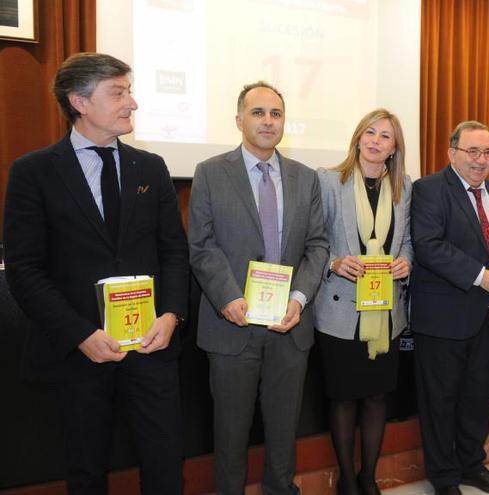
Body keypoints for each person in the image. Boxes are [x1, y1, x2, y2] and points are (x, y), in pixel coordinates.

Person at [3, 52, 189, 494]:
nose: (132, 103)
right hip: (78, 353)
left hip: (151, 346)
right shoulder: (34, 173)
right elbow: (25, 270)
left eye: (130, 91)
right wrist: (81, 335)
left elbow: (174, 253)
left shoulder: (151, 167)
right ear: (80, 102)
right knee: (86, 471)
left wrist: (171, 316)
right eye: (118, 93)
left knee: (165, 464)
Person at [187, 81, 329, 495]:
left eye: (276, 114)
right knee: (230, 431)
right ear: (238, 120)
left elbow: (318, 246)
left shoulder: (306, 178)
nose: (268, 121)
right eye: (258, 113)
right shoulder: (211, 172)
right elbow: (201, 244)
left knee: (285, 429)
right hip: (232, 324)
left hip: (290, 325)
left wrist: (300, 300)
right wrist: (228, 296)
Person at [410, 121, 489, 495]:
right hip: (442, 318)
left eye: (488, 152)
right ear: (452, 153)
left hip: (485, 317)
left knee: (477, 399)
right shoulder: (429, 189)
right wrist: (482, 276)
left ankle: (471, 466)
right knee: (440, 403)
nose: (481, 160)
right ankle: (444, 478)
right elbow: (429, 246)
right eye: (473, 152)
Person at [314, 109, 413, 495]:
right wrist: (334, 262)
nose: (375, 140)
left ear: (394, 148)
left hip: (386, 311)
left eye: (385, 136)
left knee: (376, 397)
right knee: (344, 399)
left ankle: (368, 476)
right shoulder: (328, 181)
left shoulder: (405, 186)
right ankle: (346, 479)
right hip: (340, 311)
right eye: (369, 132)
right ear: (357, 138)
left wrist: (409, 262)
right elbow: (311, 240)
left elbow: (407, 241)